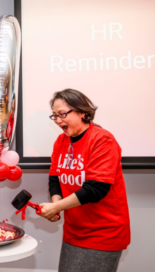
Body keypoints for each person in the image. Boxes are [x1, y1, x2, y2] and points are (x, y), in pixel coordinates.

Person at [39, 88, 130, 272]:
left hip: (103, 233)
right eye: (54, 116)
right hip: (74, 231)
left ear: (82, 112)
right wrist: (56, 207)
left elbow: (96, 188)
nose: (58, 120)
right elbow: (55, 178)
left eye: (62, 114)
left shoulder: (103, 140)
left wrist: (57, 207)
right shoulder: (61, 141)